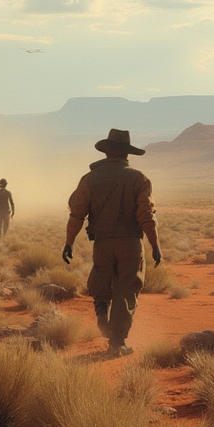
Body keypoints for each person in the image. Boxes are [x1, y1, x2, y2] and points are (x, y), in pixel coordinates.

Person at [62, 129, 161, 357]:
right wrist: (155, 245)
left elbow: (76, 214)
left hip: (102, 244)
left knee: (101, 278)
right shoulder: (139, 178)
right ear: (127, 154)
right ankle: (117, 341)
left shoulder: (89, 179)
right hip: (130, 244)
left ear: (107, 151)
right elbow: (146, 215)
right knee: (127, 289)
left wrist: (69, 243)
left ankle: (100, 311)